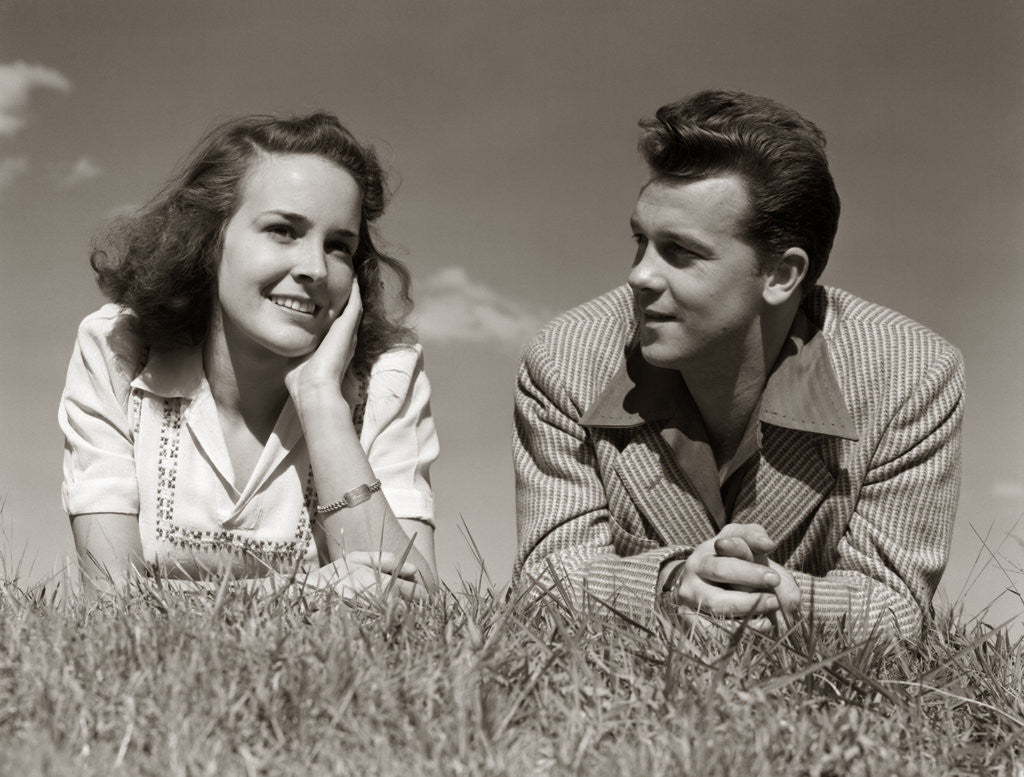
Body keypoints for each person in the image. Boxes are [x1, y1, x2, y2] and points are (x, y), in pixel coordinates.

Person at [513, 90, 964, 639]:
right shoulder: (566, 360)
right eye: (641, 240)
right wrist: (670, 584)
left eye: (680, 250)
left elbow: (896, 608)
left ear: (781, 275)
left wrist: (763, 601)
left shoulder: (910, 375)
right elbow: (543, 581)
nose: (640, 275)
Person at [59, 113, 439, 599]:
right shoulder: (117, 348)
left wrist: (322, 401)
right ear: (209, 240)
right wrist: (310, 595)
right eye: (283, 230)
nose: (315, 268)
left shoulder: (389, 371)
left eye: (340, 246)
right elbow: (108, 601)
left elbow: (414, 606)